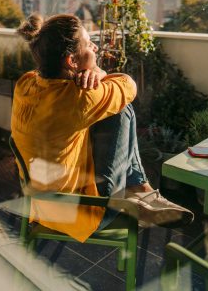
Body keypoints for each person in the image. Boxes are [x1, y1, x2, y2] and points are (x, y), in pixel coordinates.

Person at [11, 13, 193, 242]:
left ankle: (140, 191)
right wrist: (98, 73)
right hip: (81, 212)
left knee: (108, 111)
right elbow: (129, 86)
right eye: (88, 44)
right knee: (121, 110)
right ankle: (139, 190)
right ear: (71, 61)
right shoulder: (80, 98)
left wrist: (90, 71)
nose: (95, 48)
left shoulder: (25, 83)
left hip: (39, 206)